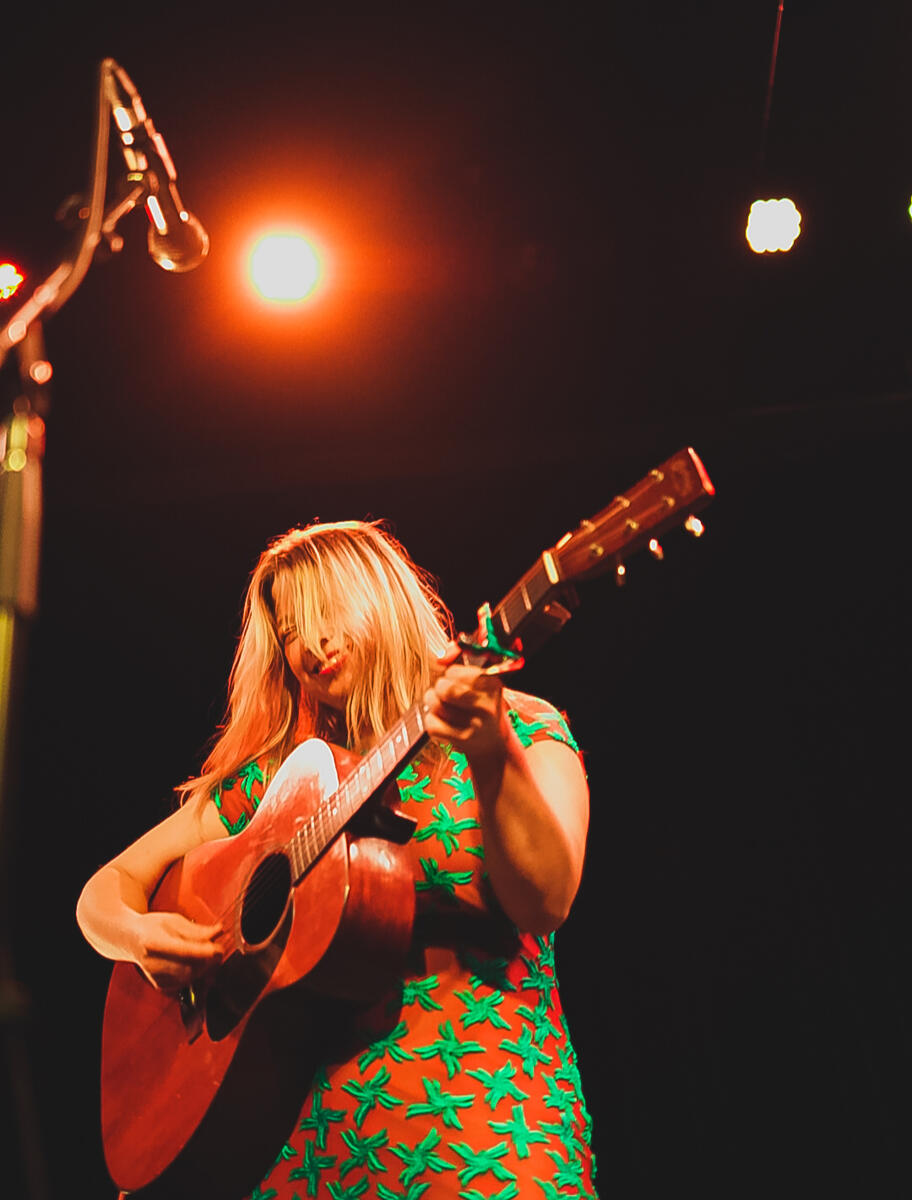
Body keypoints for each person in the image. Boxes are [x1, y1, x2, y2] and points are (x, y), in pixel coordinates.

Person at [77, 519, 597, 1199]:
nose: (311, 643)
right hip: (292, 1142)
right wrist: (140, 936)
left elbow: (546, 903)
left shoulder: (519, 725)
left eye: (327, 612)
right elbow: (103, 891)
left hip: (480, 1118)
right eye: (290, 630)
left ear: (382, 596)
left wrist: (493, 750)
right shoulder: (269, 784)